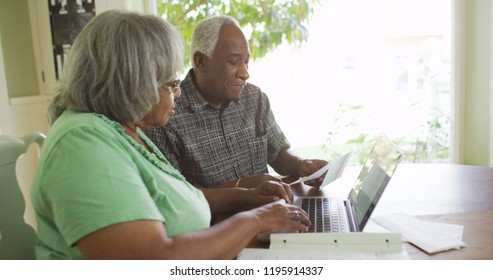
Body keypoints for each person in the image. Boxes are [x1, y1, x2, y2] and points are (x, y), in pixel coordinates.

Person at [30, 10, 309, 260]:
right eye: (171, 83)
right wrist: (256, 220)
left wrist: (249, 196)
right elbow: (152, 260)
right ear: (133, 82)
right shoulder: (83, 144)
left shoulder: (125, 132)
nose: (178, 92)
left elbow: (186, 198)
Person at [143, 15, 329, 190]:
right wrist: (247, 188)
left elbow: (278, 153)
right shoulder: (166, 116)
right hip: (220, 223)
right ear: (201, 62)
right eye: (233, 62)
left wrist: (302, 165)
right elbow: (178, 197)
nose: (244, 73)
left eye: (246, 62)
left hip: (273, 212)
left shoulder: (255, 99)